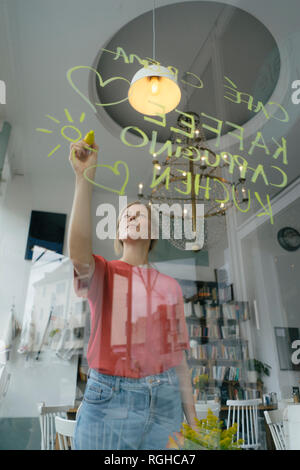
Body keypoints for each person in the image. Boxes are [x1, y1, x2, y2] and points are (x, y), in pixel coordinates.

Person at [68, 137, 197, 450]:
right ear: (118, 233)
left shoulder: (170, 287)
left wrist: (193, 425)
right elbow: (78, 251)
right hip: (109, 398)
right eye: (127, 215)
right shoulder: (106, 273)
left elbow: (178, 360)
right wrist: (84, 178)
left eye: (142, 215)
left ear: (152, 233)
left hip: (165, 400)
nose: (133, 217)